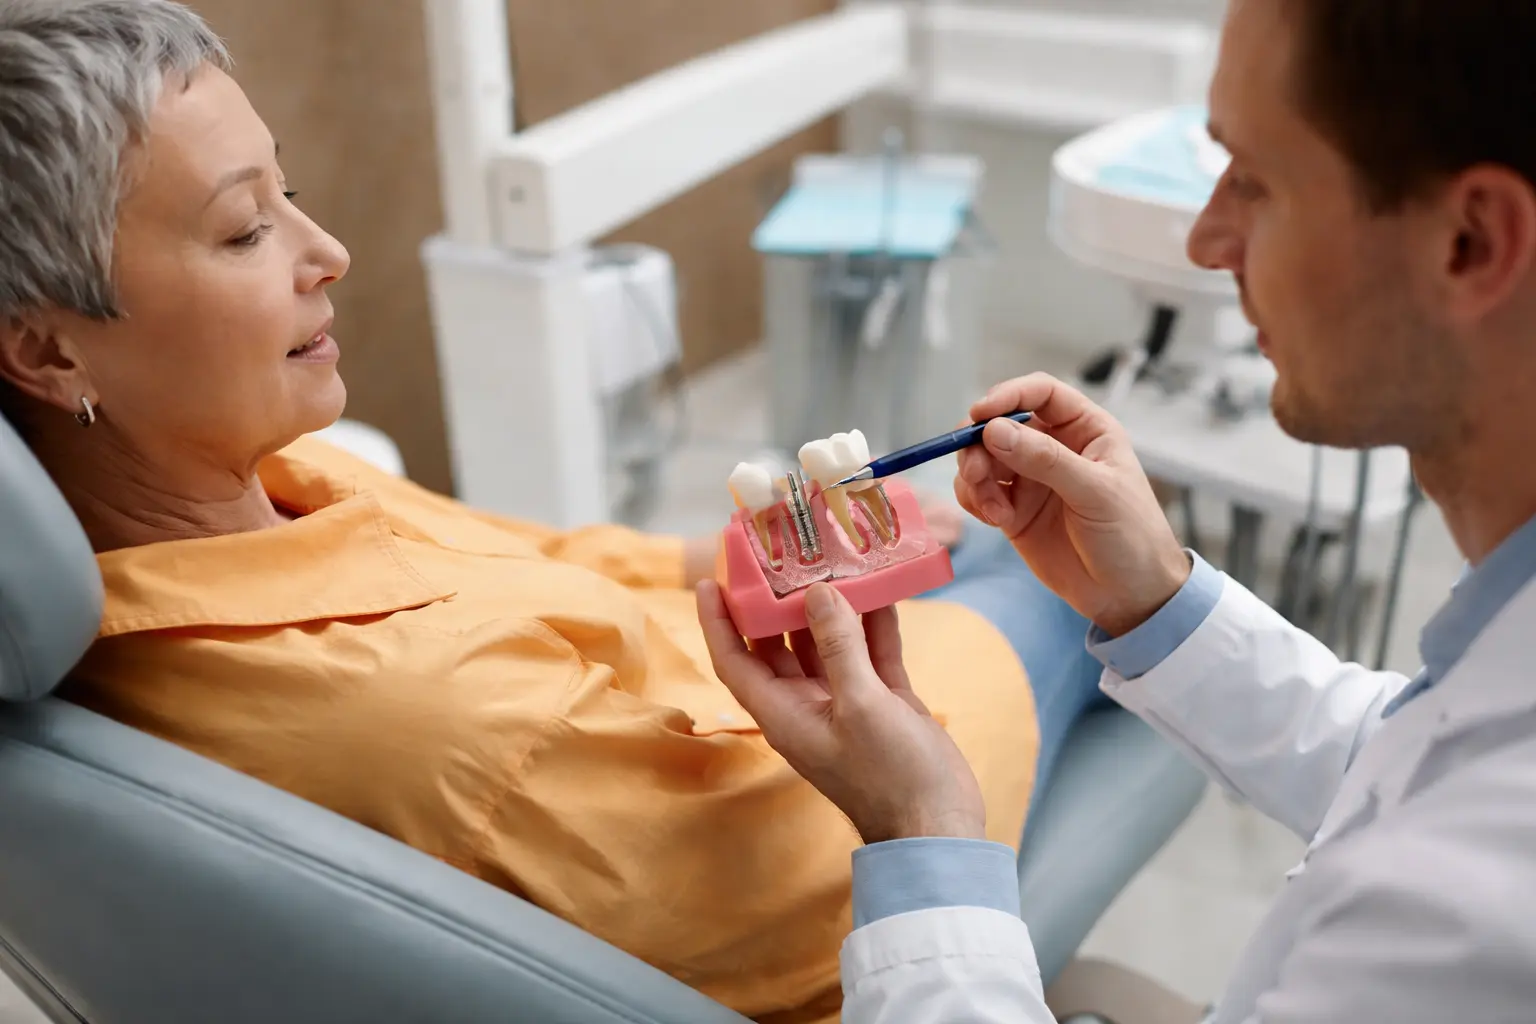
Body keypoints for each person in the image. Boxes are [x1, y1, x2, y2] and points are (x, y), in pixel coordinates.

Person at [0, 2, 1113, 1020]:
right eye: (246, 229)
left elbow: (512, 549)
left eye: (287, 194)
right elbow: (807, 871)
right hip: (842, 831)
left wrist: (715, 564)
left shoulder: (252, 491)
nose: (327, 253)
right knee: (1055, 561)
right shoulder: (429, 723)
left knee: (965, 536)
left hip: (702, 704)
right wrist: (996, 639)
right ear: (48, 351)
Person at [699, 0, 1536, 1021]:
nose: (1206, 239)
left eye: (1253, 180)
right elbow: (1405, 763)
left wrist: (921, 824)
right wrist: (1159, 601)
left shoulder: (1479, 920)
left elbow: (1442, 831)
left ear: (1469, 242)